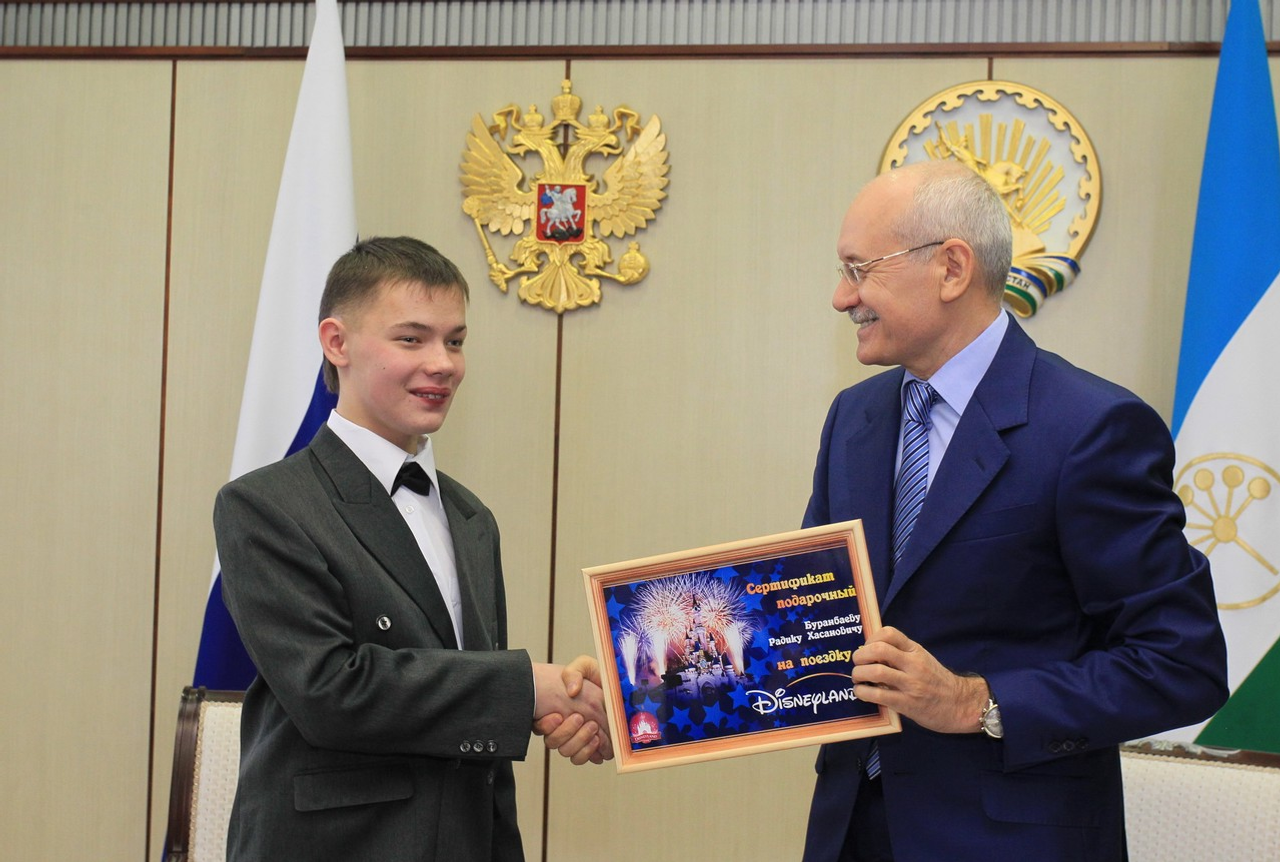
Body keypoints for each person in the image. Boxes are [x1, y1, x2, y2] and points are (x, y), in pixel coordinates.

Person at [801, 161, 1227, 861]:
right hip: (852, 832)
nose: (842, 297)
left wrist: (977, 701)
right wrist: (648, 692)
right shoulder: (855, 417)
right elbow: (811, 614)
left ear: (951, 268)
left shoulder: (1091, 428)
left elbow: (1182, 663)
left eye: (859, 270)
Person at [215, 236, 610, 862]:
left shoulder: (471, 517)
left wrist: (571, 710)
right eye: (411, 339)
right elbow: (329, 692)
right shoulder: (266, 505)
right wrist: (529, 691)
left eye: (455, 341)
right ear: (337, 342)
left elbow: (462, 696)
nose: (443, 363)